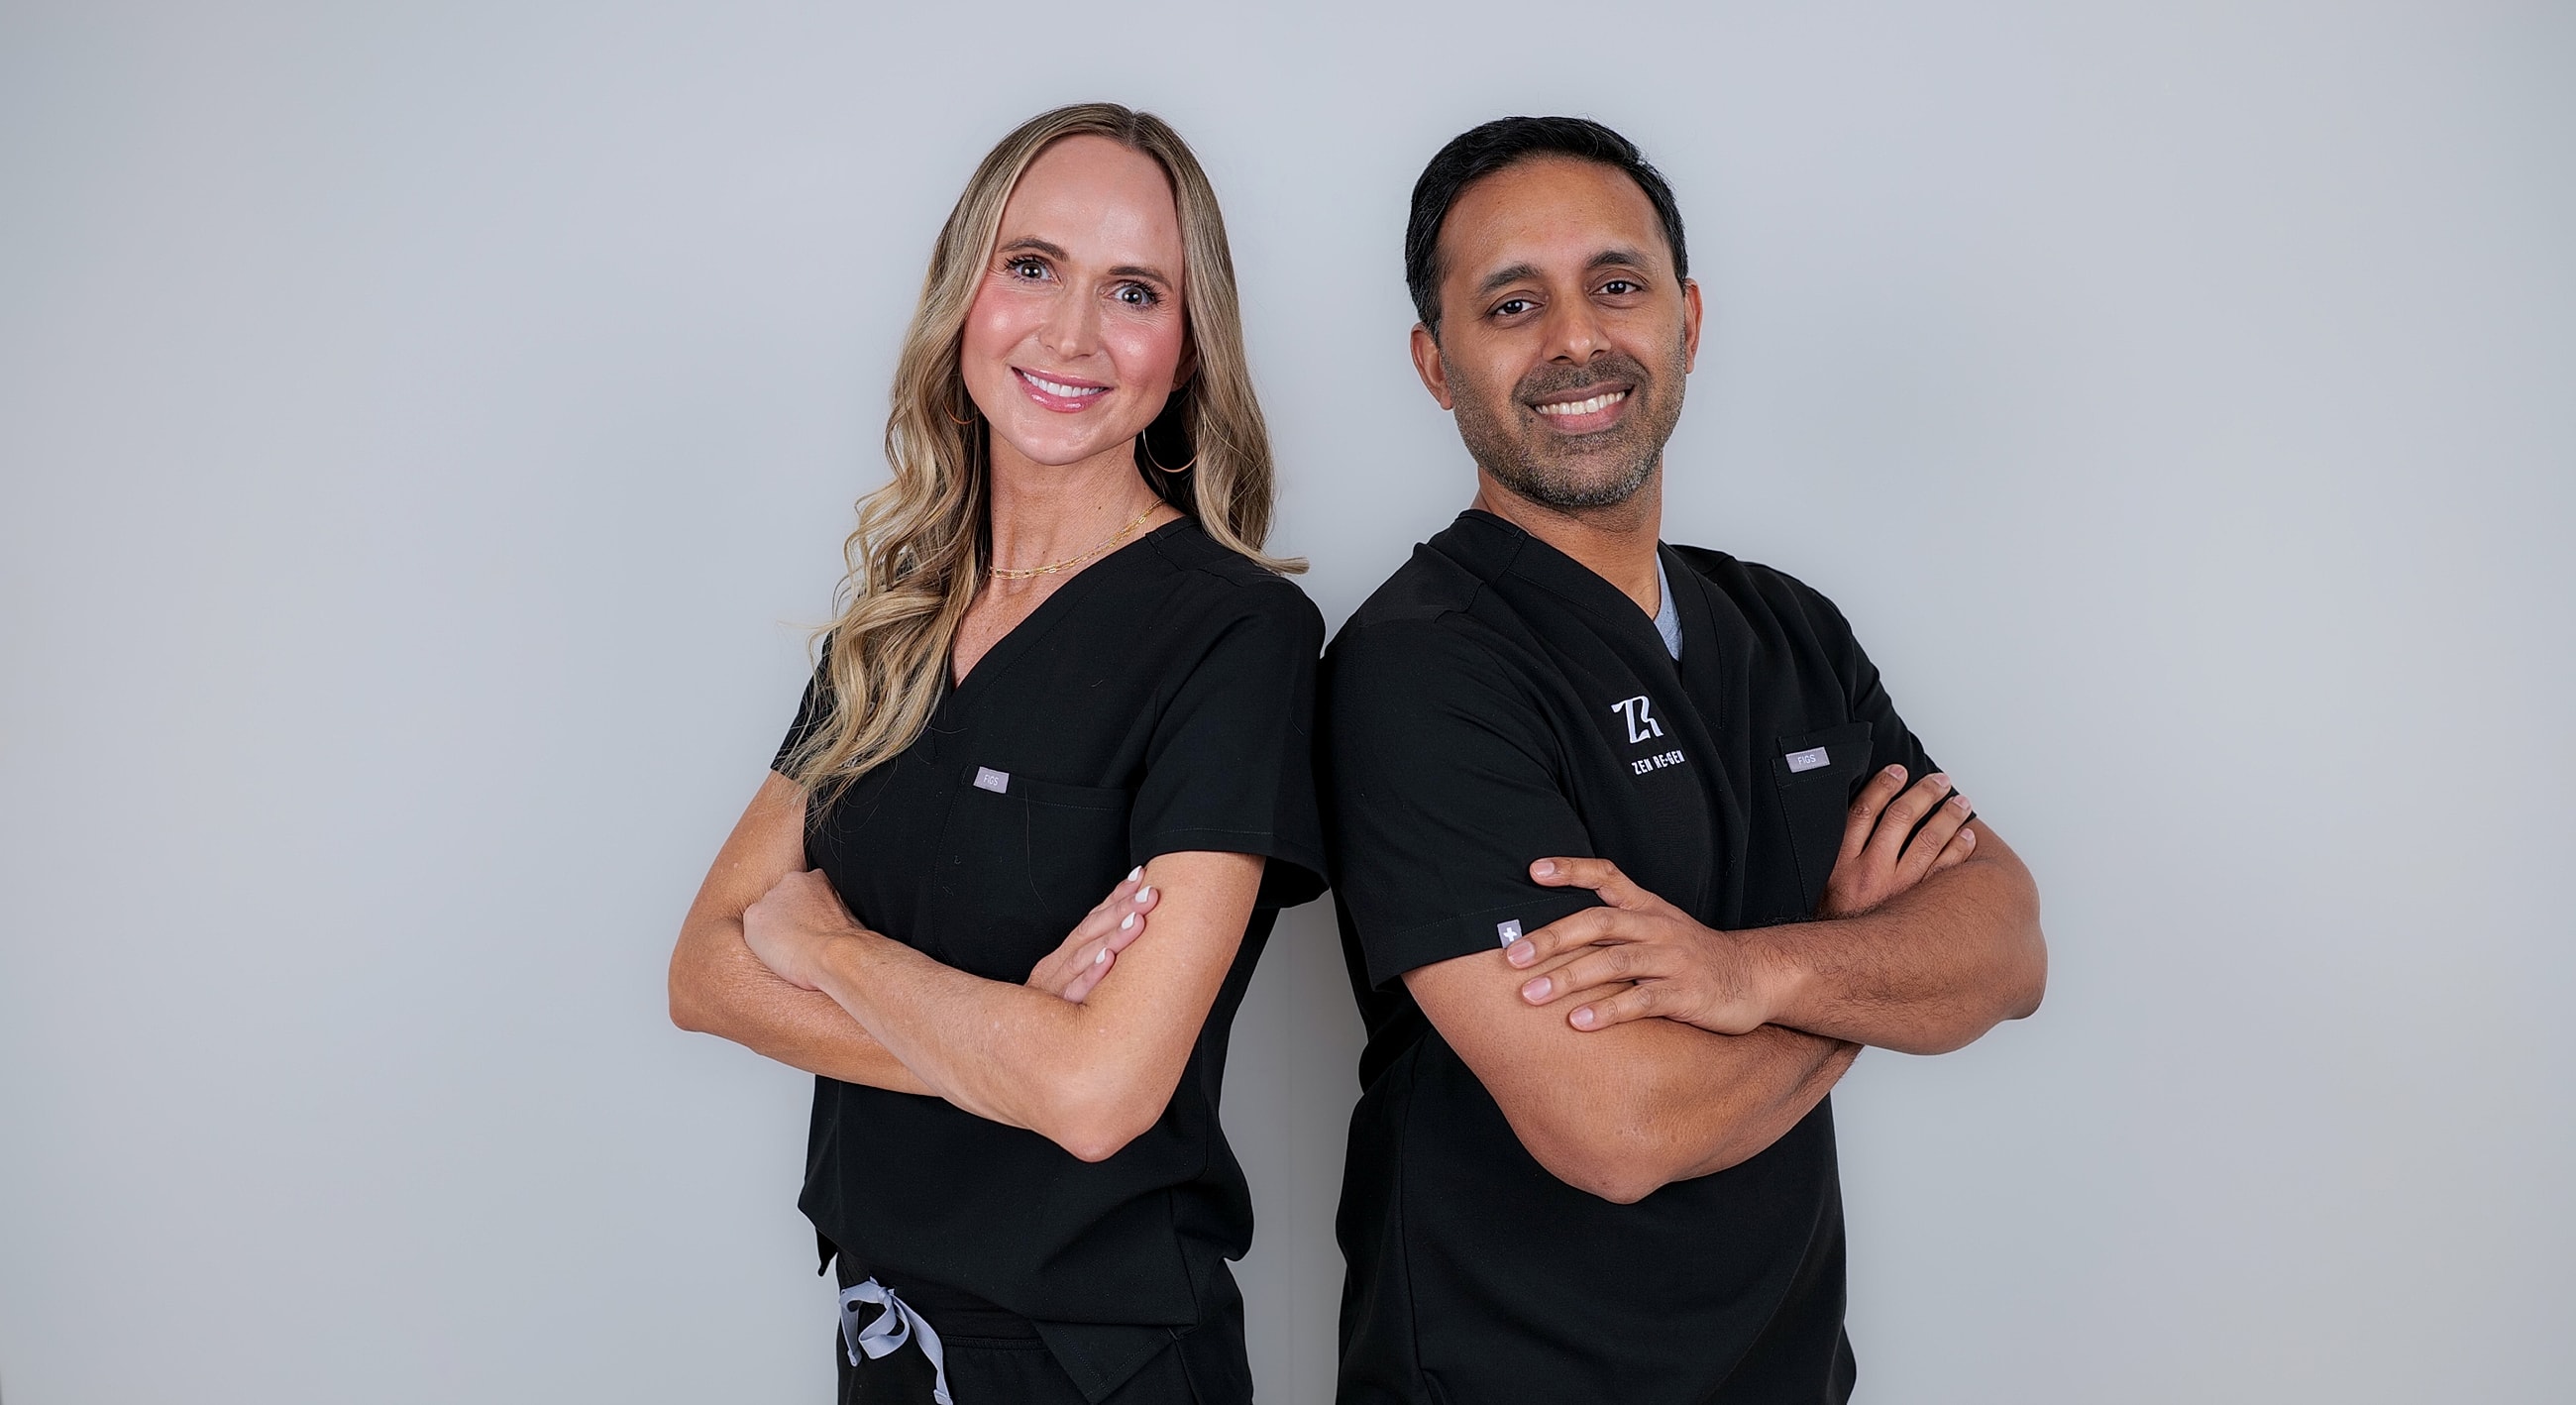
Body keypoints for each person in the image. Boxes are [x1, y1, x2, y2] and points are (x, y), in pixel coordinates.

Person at [1321, 116, 2049, 1404]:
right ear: (1436, 366)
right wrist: (1861, 963)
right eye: (1511, 303)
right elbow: (1616, 1126)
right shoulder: (1419, 672)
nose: (1576, 340)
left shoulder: (1788, 629)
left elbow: (2008, 951)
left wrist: (1750, 970)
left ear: (1688, 320)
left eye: (1617, 284)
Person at [668, 103, 1325, 1405]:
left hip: (1097, 1358)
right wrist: (1003, 1036)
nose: (1072, 332)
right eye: (1032, 266)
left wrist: (831, 948)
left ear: (1188, 348)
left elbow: (1096, 1095)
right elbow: (700, 968)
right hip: (885, 1337)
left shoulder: (1237, 637)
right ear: (963, 291)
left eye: (1133, 289)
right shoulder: (904, 618)